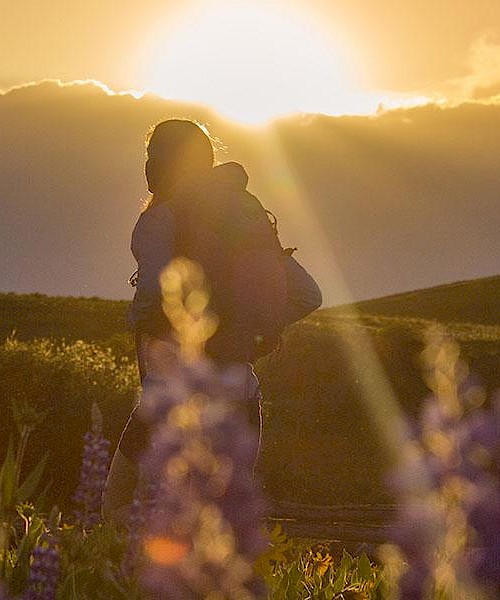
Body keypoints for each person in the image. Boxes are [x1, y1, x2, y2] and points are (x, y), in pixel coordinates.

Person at [103, 119, 322, 523]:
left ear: (164, 165)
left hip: (171, 398)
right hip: (241, 395)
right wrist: (245, 330)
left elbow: (152, 293)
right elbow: (309, 295)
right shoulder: (243, 222)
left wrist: (168, 325)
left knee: (114, 510)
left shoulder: (160, 220)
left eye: (152, 157)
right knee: (221, 530)